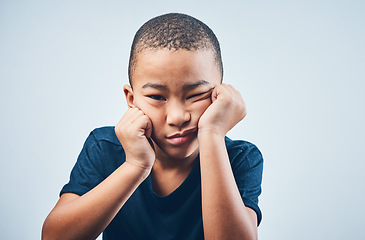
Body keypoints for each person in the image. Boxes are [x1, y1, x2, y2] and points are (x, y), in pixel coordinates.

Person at [42, 13, 263, 240]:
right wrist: (135, 166)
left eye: (196, 95)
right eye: (157, 96)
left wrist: (212, 134)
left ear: (219, 95)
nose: (177, 117)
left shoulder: (239, 158)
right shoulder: (105, 148)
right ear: (131, 99)